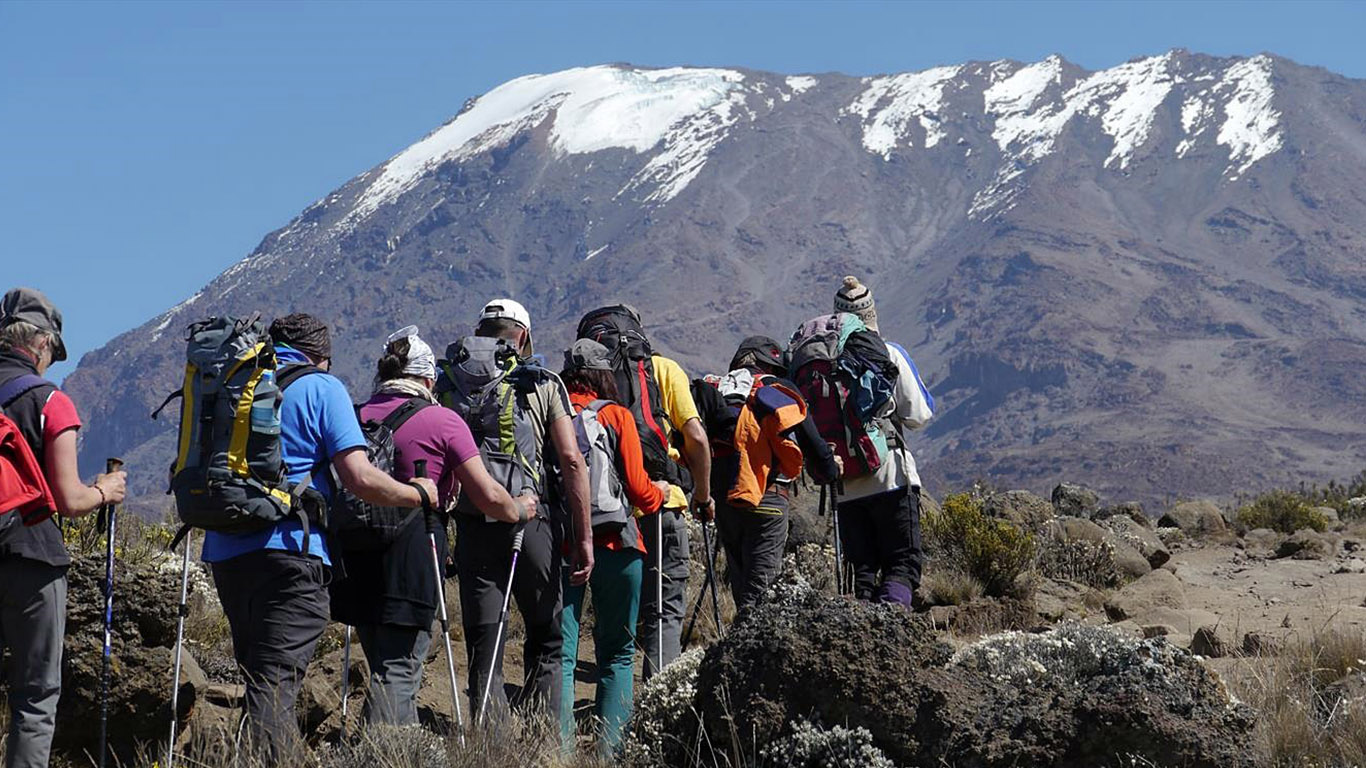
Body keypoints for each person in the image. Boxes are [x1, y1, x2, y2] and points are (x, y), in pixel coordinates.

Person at [201, 313, 436, 756]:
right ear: (322, 355)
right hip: (292, 551)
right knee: (276, 683)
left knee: (259, 676)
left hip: (225, 549)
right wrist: (416, 493)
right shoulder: (321, 387)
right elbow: (360, 478)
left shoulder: (236, 380)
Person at [331, 325, 535, 727]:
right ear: (427, 379)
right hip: (414, 549)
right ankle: (389, 753)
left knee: (382, 664)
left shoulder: (353, 416)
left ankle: (380, 748)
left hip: (352, 551)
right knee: (401, 667)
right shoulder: (442, 421)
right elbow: (487, 496)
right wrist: (521, 510)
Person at [446, 299, 591, 721]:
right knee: (547, 637)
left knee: (484, 643)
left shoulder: (451, 382)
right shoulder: (541, 381)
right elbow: (571, 460)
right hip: (531, 522)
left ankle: (491, 748)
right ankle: (544, 746)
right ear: (522, 335)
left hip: (473, 524)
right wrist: (583, 539)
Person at [0, 287, 127, 768]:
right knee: (34, 696)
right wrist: (106, 491)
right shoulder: (50, 400)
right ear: (38, 343)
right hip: (32, 559)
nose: (51, 362)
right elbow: (70, 500)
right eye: (52, 350)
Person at [575, 304, 711, 680]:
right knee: (663, 612)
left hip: (605, 511)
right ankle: (657, 705)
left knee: (611, 614)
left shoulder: (582, 382)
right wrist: (702, 494)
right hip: (663, 504)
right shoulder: (664, 370)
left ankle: (609, 713)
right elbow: (696, 437)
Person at [557, 339, 667, 754]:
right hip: (619, 543)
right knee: (618, 652)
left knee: (563, 654)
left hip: (564, 544)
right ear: (605, 375)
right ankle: (611, 751)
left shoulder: (553, 412)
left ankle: (560, 752)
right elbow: (639, 490)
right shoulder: (616, 415)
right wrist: (660, 496)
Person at [693, 336, 839, 614]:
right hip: (768, 498)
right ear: (770, 361)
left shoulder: (717, 390)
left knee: (741, 586)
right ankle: (751, 648)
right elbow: (814, 446)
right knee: (761, 591)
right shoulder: (776, 387)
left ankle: (738, 646)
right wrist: (830, 469)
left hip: (724, 501)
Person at [831, 277, 934, 608]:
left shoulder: (825, 362)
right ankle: (891, 626)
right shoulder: (890, 353)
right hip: (891, 476)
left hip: (844, 482)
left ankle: (858, 636)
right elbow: (920, 414)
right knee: (902, 564)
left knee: (861, 571)